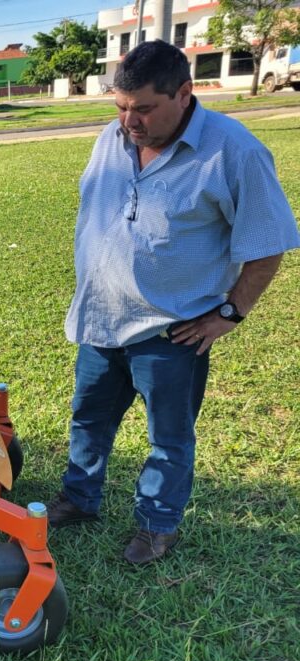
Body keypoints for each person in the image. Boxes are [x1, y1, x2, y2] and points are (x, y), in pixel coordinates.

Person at [48, 40, 299, 564]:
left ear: (184, 93)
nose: (129, 120)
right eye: (120, 106)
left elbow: (268, 242)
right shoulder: (111, 139)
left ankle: (157, 524)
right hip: (100, 321)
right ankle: (78, 498)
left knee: (168, 438)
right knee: (88, 421)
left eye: (143, 108)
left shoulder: (236, 152)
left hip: (169, 332)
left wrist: (229, 314)